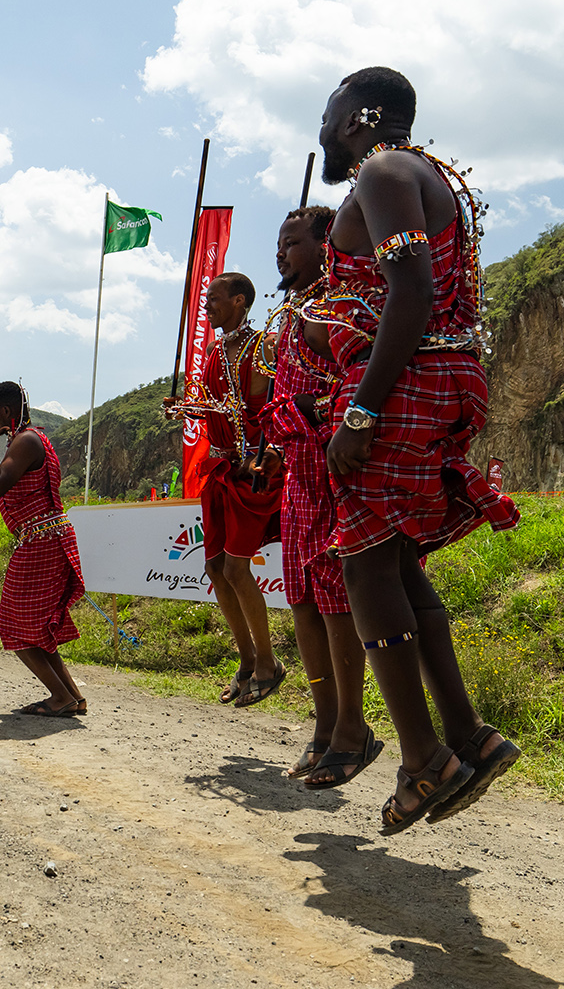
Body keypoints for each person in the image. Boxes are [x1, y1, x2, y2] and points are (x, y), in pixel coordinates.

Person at [308, 66, 521, 834]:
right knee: (395, 563)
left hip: (404, 384)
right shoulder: (415, 174)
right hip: (435, 377)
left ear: (358, 118)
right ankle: (468, 736)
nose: (321, 129)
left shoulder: (385, 171)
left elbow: (412, 290)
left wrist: (361, 410)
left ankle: (424, 760)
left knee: (366, 566)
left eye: (328, 113)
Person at [259, 206, 382, 788]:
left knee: (335, 601)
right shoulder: (294, 315)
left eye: (290, 243)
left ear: (325, 245)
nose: (280, 254)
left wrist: (310, 412)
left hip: (335, 475)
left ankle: (353, 729)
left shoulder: (341, 308)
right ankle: (325, 725)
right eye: (279, 245)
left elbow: (362, 384)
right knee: (303, 601)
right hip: (298, 478)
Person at [181, 273, 285, 708]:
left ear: (239, 301)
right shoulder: (214, 352)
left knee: (237, 569)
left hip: (253, 471)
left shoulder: (265, 346)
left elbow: (281, 406)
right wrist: (189, 409)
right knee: (215, 568)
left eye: (214, 299)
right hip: (221, 469)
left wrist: (267, 452)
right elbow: (217, 408)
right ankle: (246, 660)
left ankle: (269, 664)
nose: (207, 307)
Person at [0, 381, 87, 716]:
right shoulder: (32, 438)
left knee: (14, 624)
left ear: (5, 411)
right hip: (48, 538)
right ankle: (72, 697)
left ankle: (60, 697)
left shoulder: (25, 441)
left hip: (41, 541)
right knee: (36, 627)